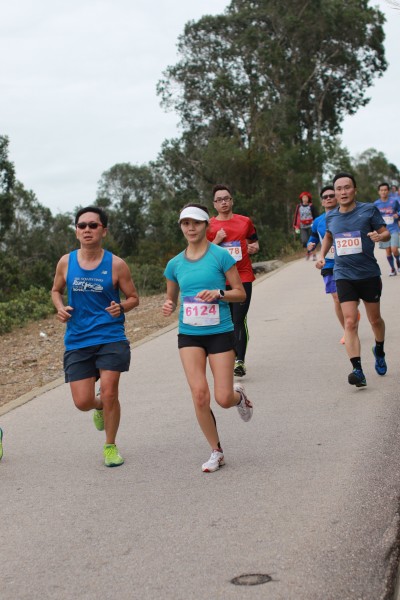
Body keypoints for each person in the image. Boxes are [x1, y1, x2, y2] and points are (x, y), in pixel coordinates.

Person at [163, 203, 253, 473]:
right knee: (200, 395)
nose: (190, 228)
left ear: (206, 225)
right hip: (189, 335)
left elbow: (240, 293)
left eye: (196, 223)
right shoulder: (174, 264)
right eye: (185, 223)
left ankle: (239, 397)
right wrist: (168, 305)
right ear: (181, 227)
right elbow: (171, 298)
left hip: (219, 332)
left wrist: (220, 293)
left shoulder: (220, 256)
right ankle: (216, 451)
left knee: (223, 398)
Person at [51, 206, 139, 467]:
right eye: (82, 225)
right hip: (78, 339)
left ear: (104, 231)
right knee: (82, 401)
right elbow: (55, 290)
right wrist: (60, 308)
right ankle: (99, 406)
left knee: (110, 391)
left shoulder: (117, 264)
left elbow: (134, 298)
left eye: (93, 225)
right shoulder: (66, 262)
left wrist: (121, 307)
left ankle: (110, 446)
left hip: (110, 335)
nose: (87, 230)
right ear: (76, 231)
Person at [316, 173, 390, 388]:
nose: (343, 192)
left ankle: (379, 349)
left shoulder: (368, 210)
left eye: (347, 187)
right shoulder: (331, 216)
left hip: (368, 274)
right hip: (343, 274)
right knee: (350, 321)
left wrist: (380, 237)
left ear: (354, 190)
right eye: (338, 189)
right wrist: (322, 255)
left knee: (375, 320)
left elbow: (385, 232)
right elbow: (329, 236)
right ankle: (357, 370)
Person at [206, 184, 259, 378]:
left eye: (226, 198)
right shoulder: (209, 226)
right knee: (225, 320)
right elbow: (202, 252)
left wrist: (254, 247)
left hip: (243, 276)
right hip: (220, 280)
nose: (223, 202)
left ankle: (239, 361)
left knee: (238, 319)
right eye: (219, 200)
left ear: (232, 201)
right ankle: (229, 356)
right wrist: (216, 240)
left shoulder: (245, 221)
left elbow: (254, 240)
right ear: (214, 204)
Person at [307, 186, 346, 342]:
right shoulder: (318, 221)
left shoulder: (346, 215)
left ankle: (350, 313)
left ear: (337, 197)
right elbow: (313, 238)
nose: (328, 198)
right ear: (322, 201)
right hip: (328, 263)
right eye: (325, 197)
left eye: (331, 195)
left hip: (347, 262)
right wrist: (310, 245)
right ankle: (347, 330)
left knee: (348, 298)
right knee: (336, 298)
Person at [373, 182, 400, 276]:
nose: (383, 192)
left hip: (394, 228)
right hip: (383, 230)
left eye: (385, 190)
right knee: (388, 251)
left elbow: (399, 210)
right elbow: (373, 216)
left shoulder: (394, 201)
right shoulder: (376, 204)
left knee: (394, 249)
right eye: (381, 190)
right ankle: (392, 269)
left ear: (388, 191)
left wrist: (398, 214)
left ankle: (398, 264)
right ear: (379, 192)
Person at [293, 191, 317, 260]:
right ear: (301, 198)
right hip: (303, 226)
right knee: (304, 241)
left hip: (311, 226)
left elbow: (315, 216)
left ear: (308, 198)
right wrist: (296, 226)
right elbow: (296, 216)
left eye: (306, 197)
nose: (305, 199)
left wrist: (316, 224)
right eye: (303, 198)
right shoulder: (299, 206)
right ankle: (308, 253)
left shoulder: (311, 206)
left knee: (312, 240)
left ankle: (314, 254)